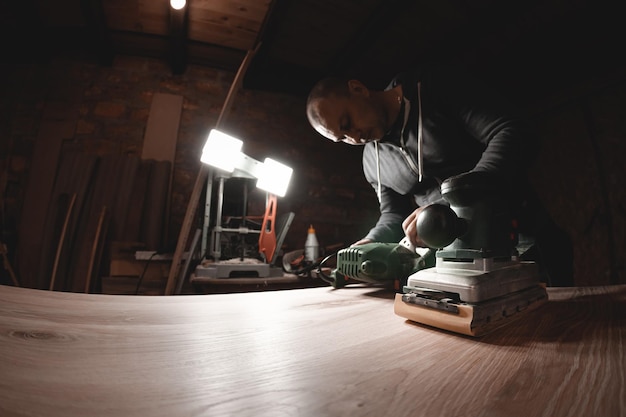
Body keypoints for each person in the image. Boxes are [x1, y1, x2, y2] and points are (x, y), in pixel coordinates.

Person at [306, 64, 574, 286]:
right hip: (453, 264)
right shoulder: (371, 161)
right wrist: (370, 241)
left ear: (358, 89)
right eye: (342, 138)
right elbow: (393, 215)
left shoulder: (434, 87)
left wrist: (454, 201)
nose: (354, 137)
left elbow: (509, 131)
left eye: (347, 123)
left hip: (521, 244)